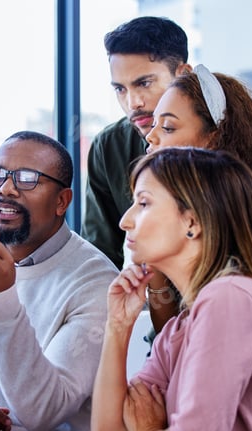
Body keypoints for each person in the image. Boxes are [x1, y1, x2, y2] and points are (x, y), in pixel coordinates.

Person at [91, 147, 252, 430]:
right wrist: (117, 327)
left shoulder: (230, 299)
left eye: (143, 203)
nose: (124, 221)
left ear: (192, 222)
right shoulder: (177, 330)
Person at [0, 130, 119, 431]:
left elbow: (44, 412)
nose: (6, 189)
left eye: (27, 178)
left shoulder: (97, 282)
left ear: (62, 201)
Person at [142, 64, 252, 334]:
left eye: (167, 127)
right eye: (153, 124)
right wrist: (154, 271)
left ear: (214, 139)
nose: (150, 136)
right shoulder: (172, 215)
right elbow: (169, 347)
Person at [81, 16, 191, 269]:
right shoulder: (109, 147)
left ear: (183, 75)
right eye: (120, 89)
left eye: (144, 83)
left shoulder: (233, 136)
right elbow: (99, 257)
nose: (133, 103)